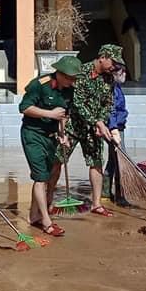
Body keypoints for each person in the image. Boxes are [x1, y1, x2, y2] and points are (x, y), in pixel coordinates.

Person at [19, 55, 80, 237]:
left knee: (46, 174)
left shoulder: (70, 91)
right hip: (33, 134)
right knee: (40, 177)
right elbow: (24, 107)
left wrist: (63, 135)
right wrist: (49, 114)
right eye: (70, 77)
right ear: (59, 74)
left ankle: (34, 215)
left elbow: (63, 115)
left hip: (52, 136)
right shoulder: (40, 84)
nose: (73, 81)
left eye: (75, 78)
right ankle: (46, 221)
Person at [59, 44, 120, 217]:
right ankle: (47, 201)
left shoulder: (109, 79)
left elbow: (108, 103)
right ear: (103, 57)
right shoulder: (82, 71)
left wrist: (101, 122)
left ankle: (96, 203)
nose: (114, 66)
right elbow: (78, 102)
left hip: (94, 129)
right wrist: (97, 121)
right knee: (58, 159)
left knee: (96, 163)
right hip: (74, 125)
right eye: (113, 62)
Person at [104, 58, 130, 207]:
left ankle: (105, 192)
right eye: (122, 71)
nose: (124, 74)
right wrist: (114, 130)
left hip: (119, 126)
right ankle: (120, 195)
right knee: (121, 160)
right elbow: (111, 111)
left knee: (113, 160)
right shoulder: (112, 89)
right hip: (115, 129)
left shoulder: (117, 87)